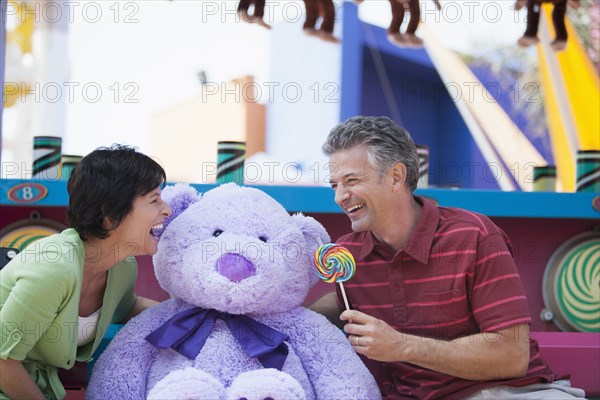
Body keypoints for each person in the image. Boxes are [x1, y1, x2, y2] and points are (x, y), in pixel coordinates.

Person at [315, 116, 586, 399]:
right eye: (335, 185)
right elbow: (337, 302)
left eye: (352, 180)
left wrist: (402, 345)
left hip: (509, 393)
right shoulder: (347, 257)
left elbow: (511, 354)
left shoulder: (474, 235)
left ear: (396, 176)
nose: (339, 197)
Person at [0, 144, 172, 400]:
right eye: (154, 200)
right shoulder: (54, 267)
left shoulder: (122, 267)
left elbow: (128, 307)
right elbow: (3, 361)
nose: (166, 209)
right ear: (110, 214)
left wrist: (187, 315)